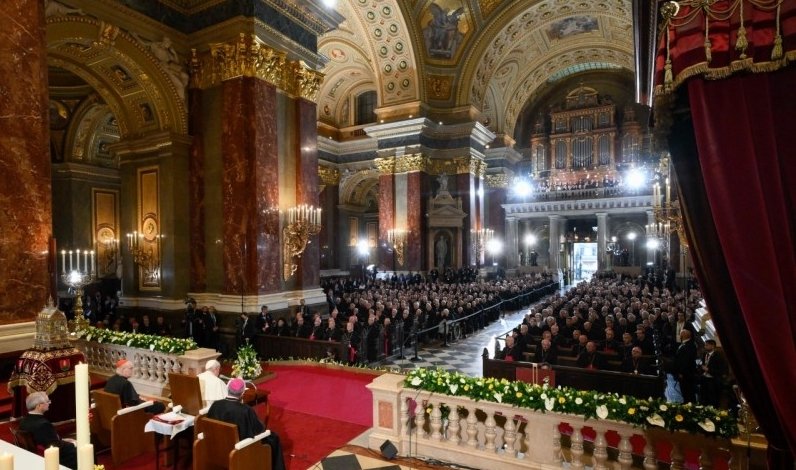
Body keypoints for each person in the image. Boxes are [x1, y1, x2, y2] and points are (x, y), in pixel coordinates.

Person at [207, 378, 286, 470]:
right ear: (242, 394)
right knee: (274, 438)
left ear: (228, 390)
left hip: (216, 445)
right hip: (241, 448)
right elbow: (260, 430)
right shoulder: (245, 410)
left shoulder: (216, 405)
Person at [18, 391, 77, 469]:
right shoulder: (43, 424)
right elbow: (55, 447)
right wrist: (74, 444)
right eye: (47, 401)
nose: (49, 403)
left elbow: (47, 439)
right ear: (39, 406)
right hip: (54, 458)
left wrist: (63, 439)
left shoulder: (23, 421)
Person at [698, 339, 727, 407]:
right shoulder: (705, 354)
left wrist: (708, 370)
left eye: (707, 345)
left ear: (712, 346)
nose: (705, 346)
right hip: (704, 378)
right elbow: (703, 364)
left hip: (713, 380)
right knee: (703, 397)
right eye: (705, 345)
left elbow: (721, 370)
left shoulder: (718, 356)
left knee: (712, 399)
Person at [673, 329, 698, 403]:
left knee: (688, 390)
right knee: (684, 390)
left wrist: (681, 372)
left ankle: (689, 404)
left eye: (680, 334)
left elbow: (685, 361)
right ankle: (686, 402)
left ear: (684, 335)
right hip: (685, 372)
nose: (679, 335)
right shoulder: (685, 344)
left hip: (686, 373)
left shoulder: (690, 345)